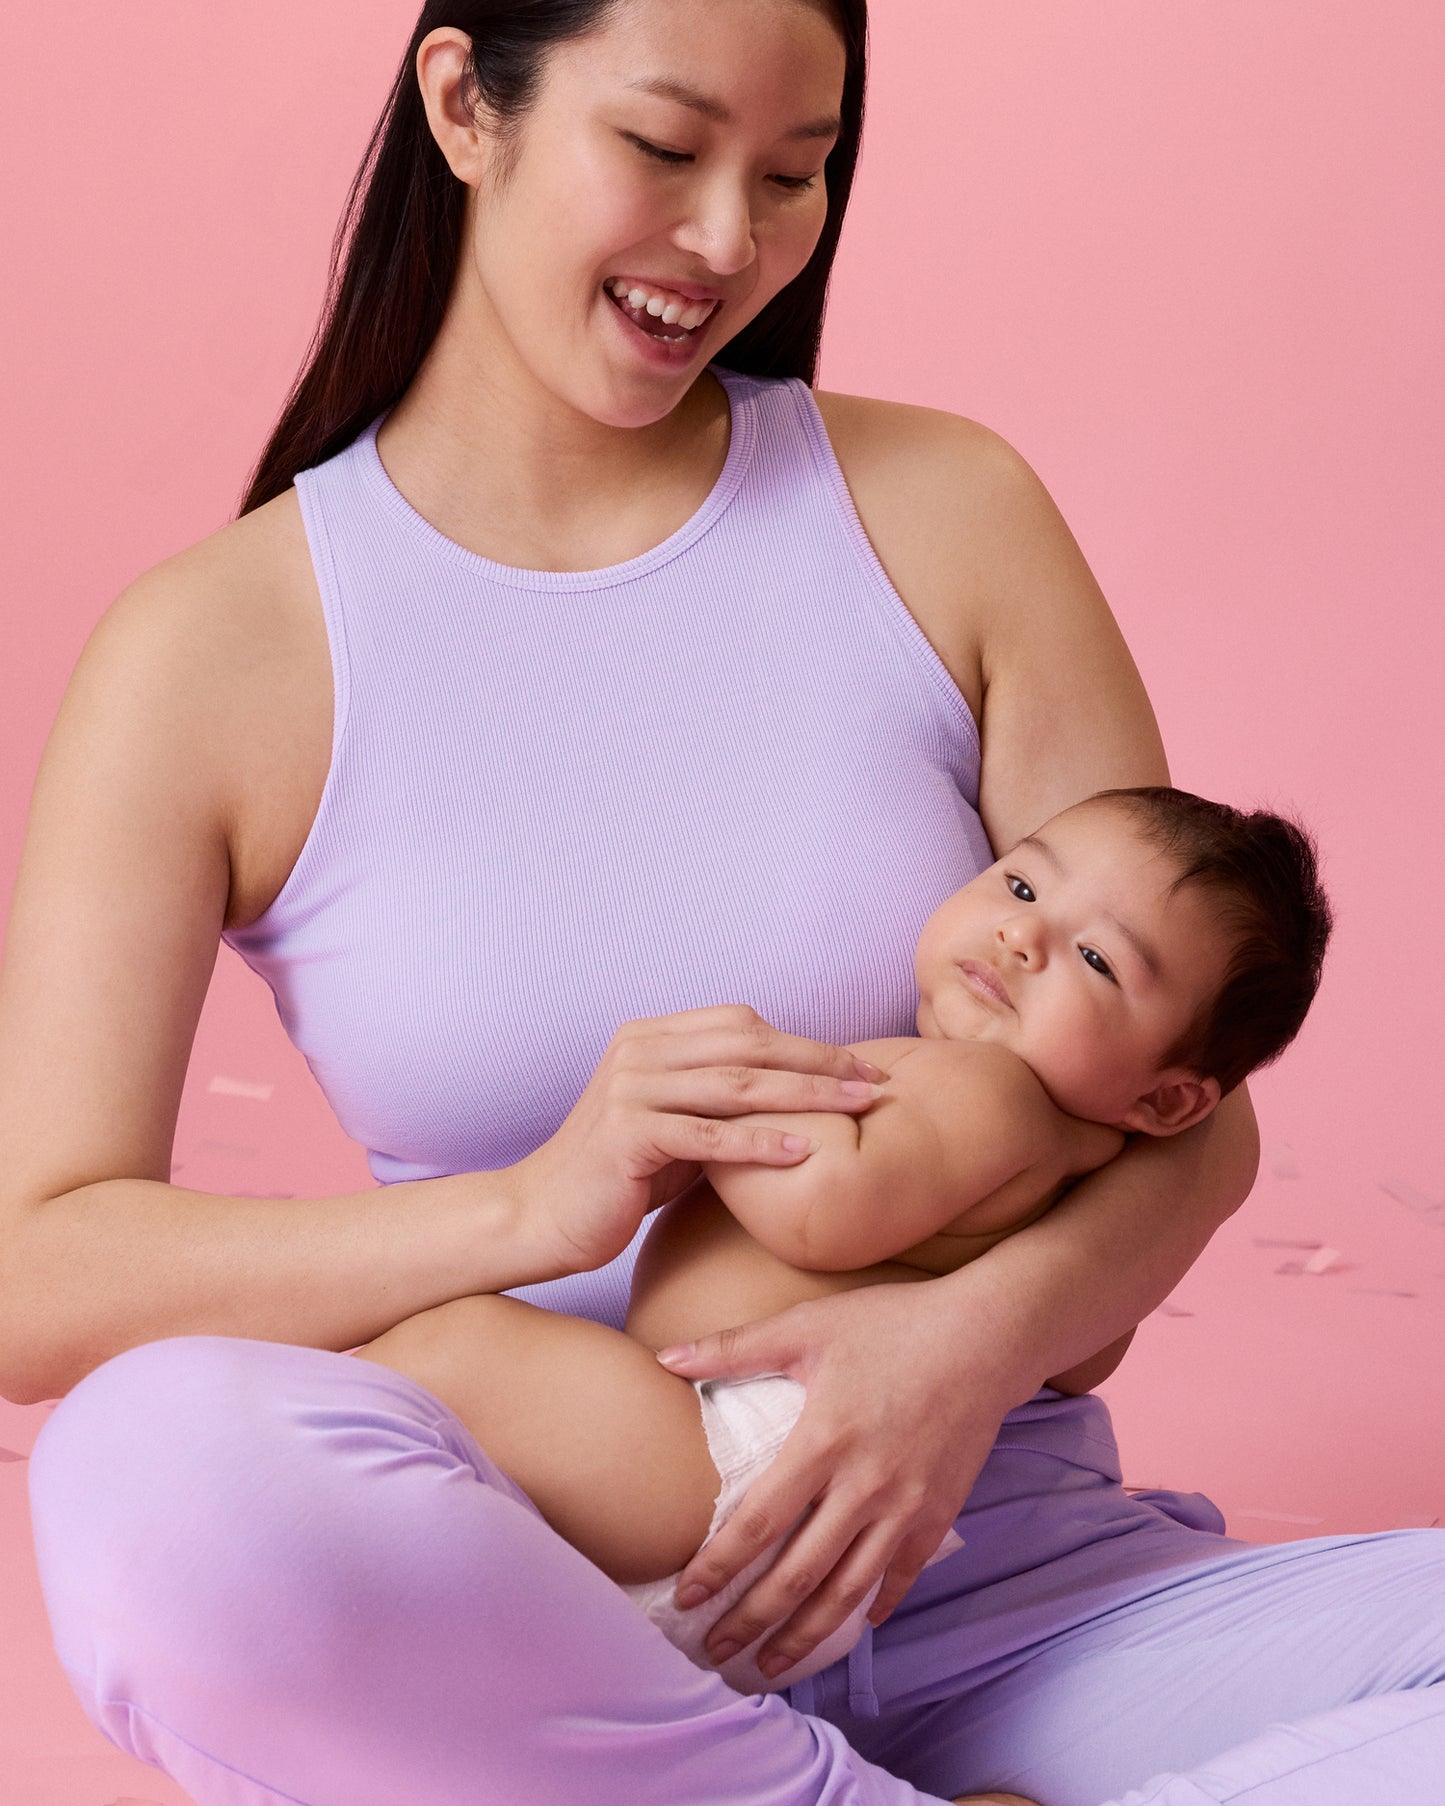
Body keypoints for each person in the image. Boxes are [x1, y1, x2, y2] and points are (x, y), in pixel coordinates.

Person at [8, 3, 1442, 1803]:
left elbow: (1192, 1106)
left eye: (793, 173)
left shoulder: (948, 509)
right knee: (154, 1468)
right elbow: (36, 1274)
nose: (725, 242)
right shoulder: (211, 651)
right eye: (666, 148)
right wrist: (528, 1208)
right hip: (564, 1621)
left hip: (1019, 1590)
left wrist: (960, 1349)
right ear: (465, 105)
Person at [351, 784, 1334, 1707]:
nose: (1021, 935)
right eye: (1021, 886)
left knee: (449, 1352)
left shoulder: (986, 1089)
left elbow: (822, 1208)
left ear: (1167, 1101)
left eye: (1095, 960)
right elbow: (1085, 1357)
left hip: (741, 1467)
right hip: (792, 1510)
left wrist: (720, 1101)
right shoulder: (1073, 1159)